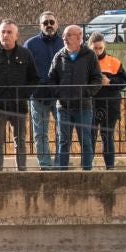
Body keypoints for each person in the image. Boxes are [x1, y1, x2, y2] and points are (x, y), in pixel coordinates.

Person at [0, 19, 39, 171]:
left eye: (9, 32)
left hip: (19, 105)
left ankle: (22, 170)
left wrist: (23, 94)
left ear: (16, 35)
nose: (5, 35)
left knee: (21, 141)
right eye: (3, 32)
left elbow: (34, 79)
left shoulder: (25, 54)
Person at [46, 24, 100, 171]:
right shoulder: (59, 56)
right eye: (64, 35)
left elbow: (97, 79)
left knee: (86, 141)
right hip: (63, 107)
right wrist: (60, 94)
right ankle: (63, 172)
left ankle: (87, 171)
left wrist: (86, 93)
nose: (65, 38)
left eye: (69, 35)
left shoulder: (89, 56)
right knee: (63, 141)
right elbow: (51, 80)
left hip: (83, 107)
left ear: (79, 37)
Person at [24, 11, 66, 169]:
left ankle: (60, 164)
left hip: (60, 96)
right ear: (39, 26)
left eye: (51, 22)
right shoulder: (31, 44)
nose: (49, 25)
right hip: (38, 96)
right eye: (45, 22)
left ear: (57, 24)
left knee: (62, 133)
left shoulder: (64, 43)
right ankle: (45, 164)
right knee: (40, 133)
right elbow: (26, 69)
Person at [88, 31, 126, 169]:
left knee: (107, 136)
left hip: (110, 104)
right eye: (95, 48)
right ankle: (88, 166)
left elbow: (125, 81)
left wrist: (110, 81)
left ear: (104, 46)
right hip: (91, 103)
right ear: (90, 47)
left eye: (100, 48)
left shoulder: (114, 62)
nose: (98, 51)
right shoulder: (86, 63)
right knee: (90, 136)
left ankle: (110, 167)